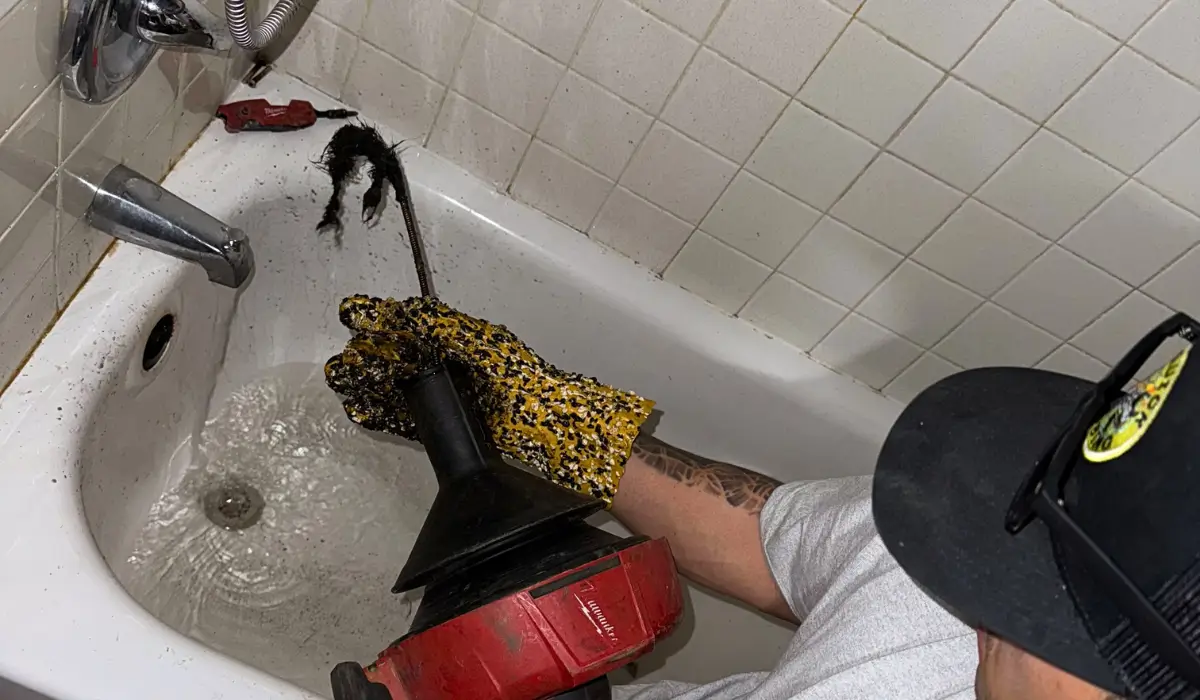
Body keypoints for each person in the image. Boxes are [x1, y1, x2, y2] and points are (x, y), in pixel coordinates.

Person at [328, 295, 1200, 700]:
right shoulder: (993, 559)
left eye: (1046, 606)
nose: (982, 602)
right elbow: (772, 547)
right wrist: (557, 422)